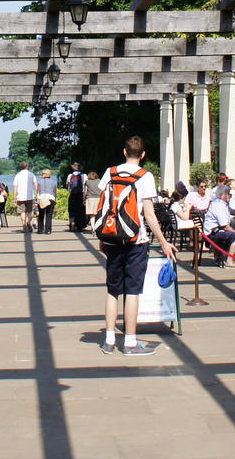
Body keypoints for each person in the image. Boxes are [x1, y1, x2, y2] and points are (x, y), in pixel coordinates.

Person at [97, 134, 177, 356]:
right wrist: (163, 242)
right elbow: (149, 214)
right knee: (132, 291)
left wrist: (103, 239)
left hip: (112, 239)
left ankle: (109, 340)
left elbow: (104, 208)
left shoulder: (110, 173)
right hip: (137, 240)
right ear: (143, 155)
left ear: (124, 152)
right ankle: (130, 342)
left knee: (113, 290)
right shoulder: (146, 176)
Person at [203, 183, 235, 268]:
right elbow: (225, 226)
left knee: (229, 234)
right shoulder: (220, 206)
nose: (229, 195)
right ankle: (229, 261)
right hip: (213, 232)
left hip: (211, 230)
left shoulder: (219, 203)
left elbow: (233, 211)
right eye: (228, 193)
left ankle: (218, 258)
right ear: (221, 195)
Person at [13, 161, 36, 233]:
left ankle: (24, 226)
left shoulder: (17, 175)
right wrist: (37, 193)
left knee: (22, 211)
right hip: (30, 196)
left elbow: (15, 188)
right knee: (31, 211)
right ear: (27, 167)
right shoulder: (31, 175)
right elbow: (36, 185)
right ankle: (29, 221)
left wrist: (15, 198)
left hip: (21, 197)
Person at [65, 162, 88, 232]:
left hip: (72, 194)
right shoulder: (84, 175)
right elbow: (86, 186)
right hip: (81, 194)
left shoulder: (70, 175)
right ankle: (79, 226)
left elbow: (68, 186)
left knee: (72, 209)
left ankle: (72, 221)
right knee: (80, 210)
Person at [35, 168, 57, 234]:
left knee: (41, 215)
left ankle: (40, 229)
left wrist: (37, 199)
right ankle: (48, 230)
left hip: (42, 198)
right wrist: (55, 198)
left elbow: (38, 191)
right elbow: (55, 191)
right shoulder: (53, 181)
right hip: (51, 198)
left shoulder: (39, 181)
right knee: (49, 215)